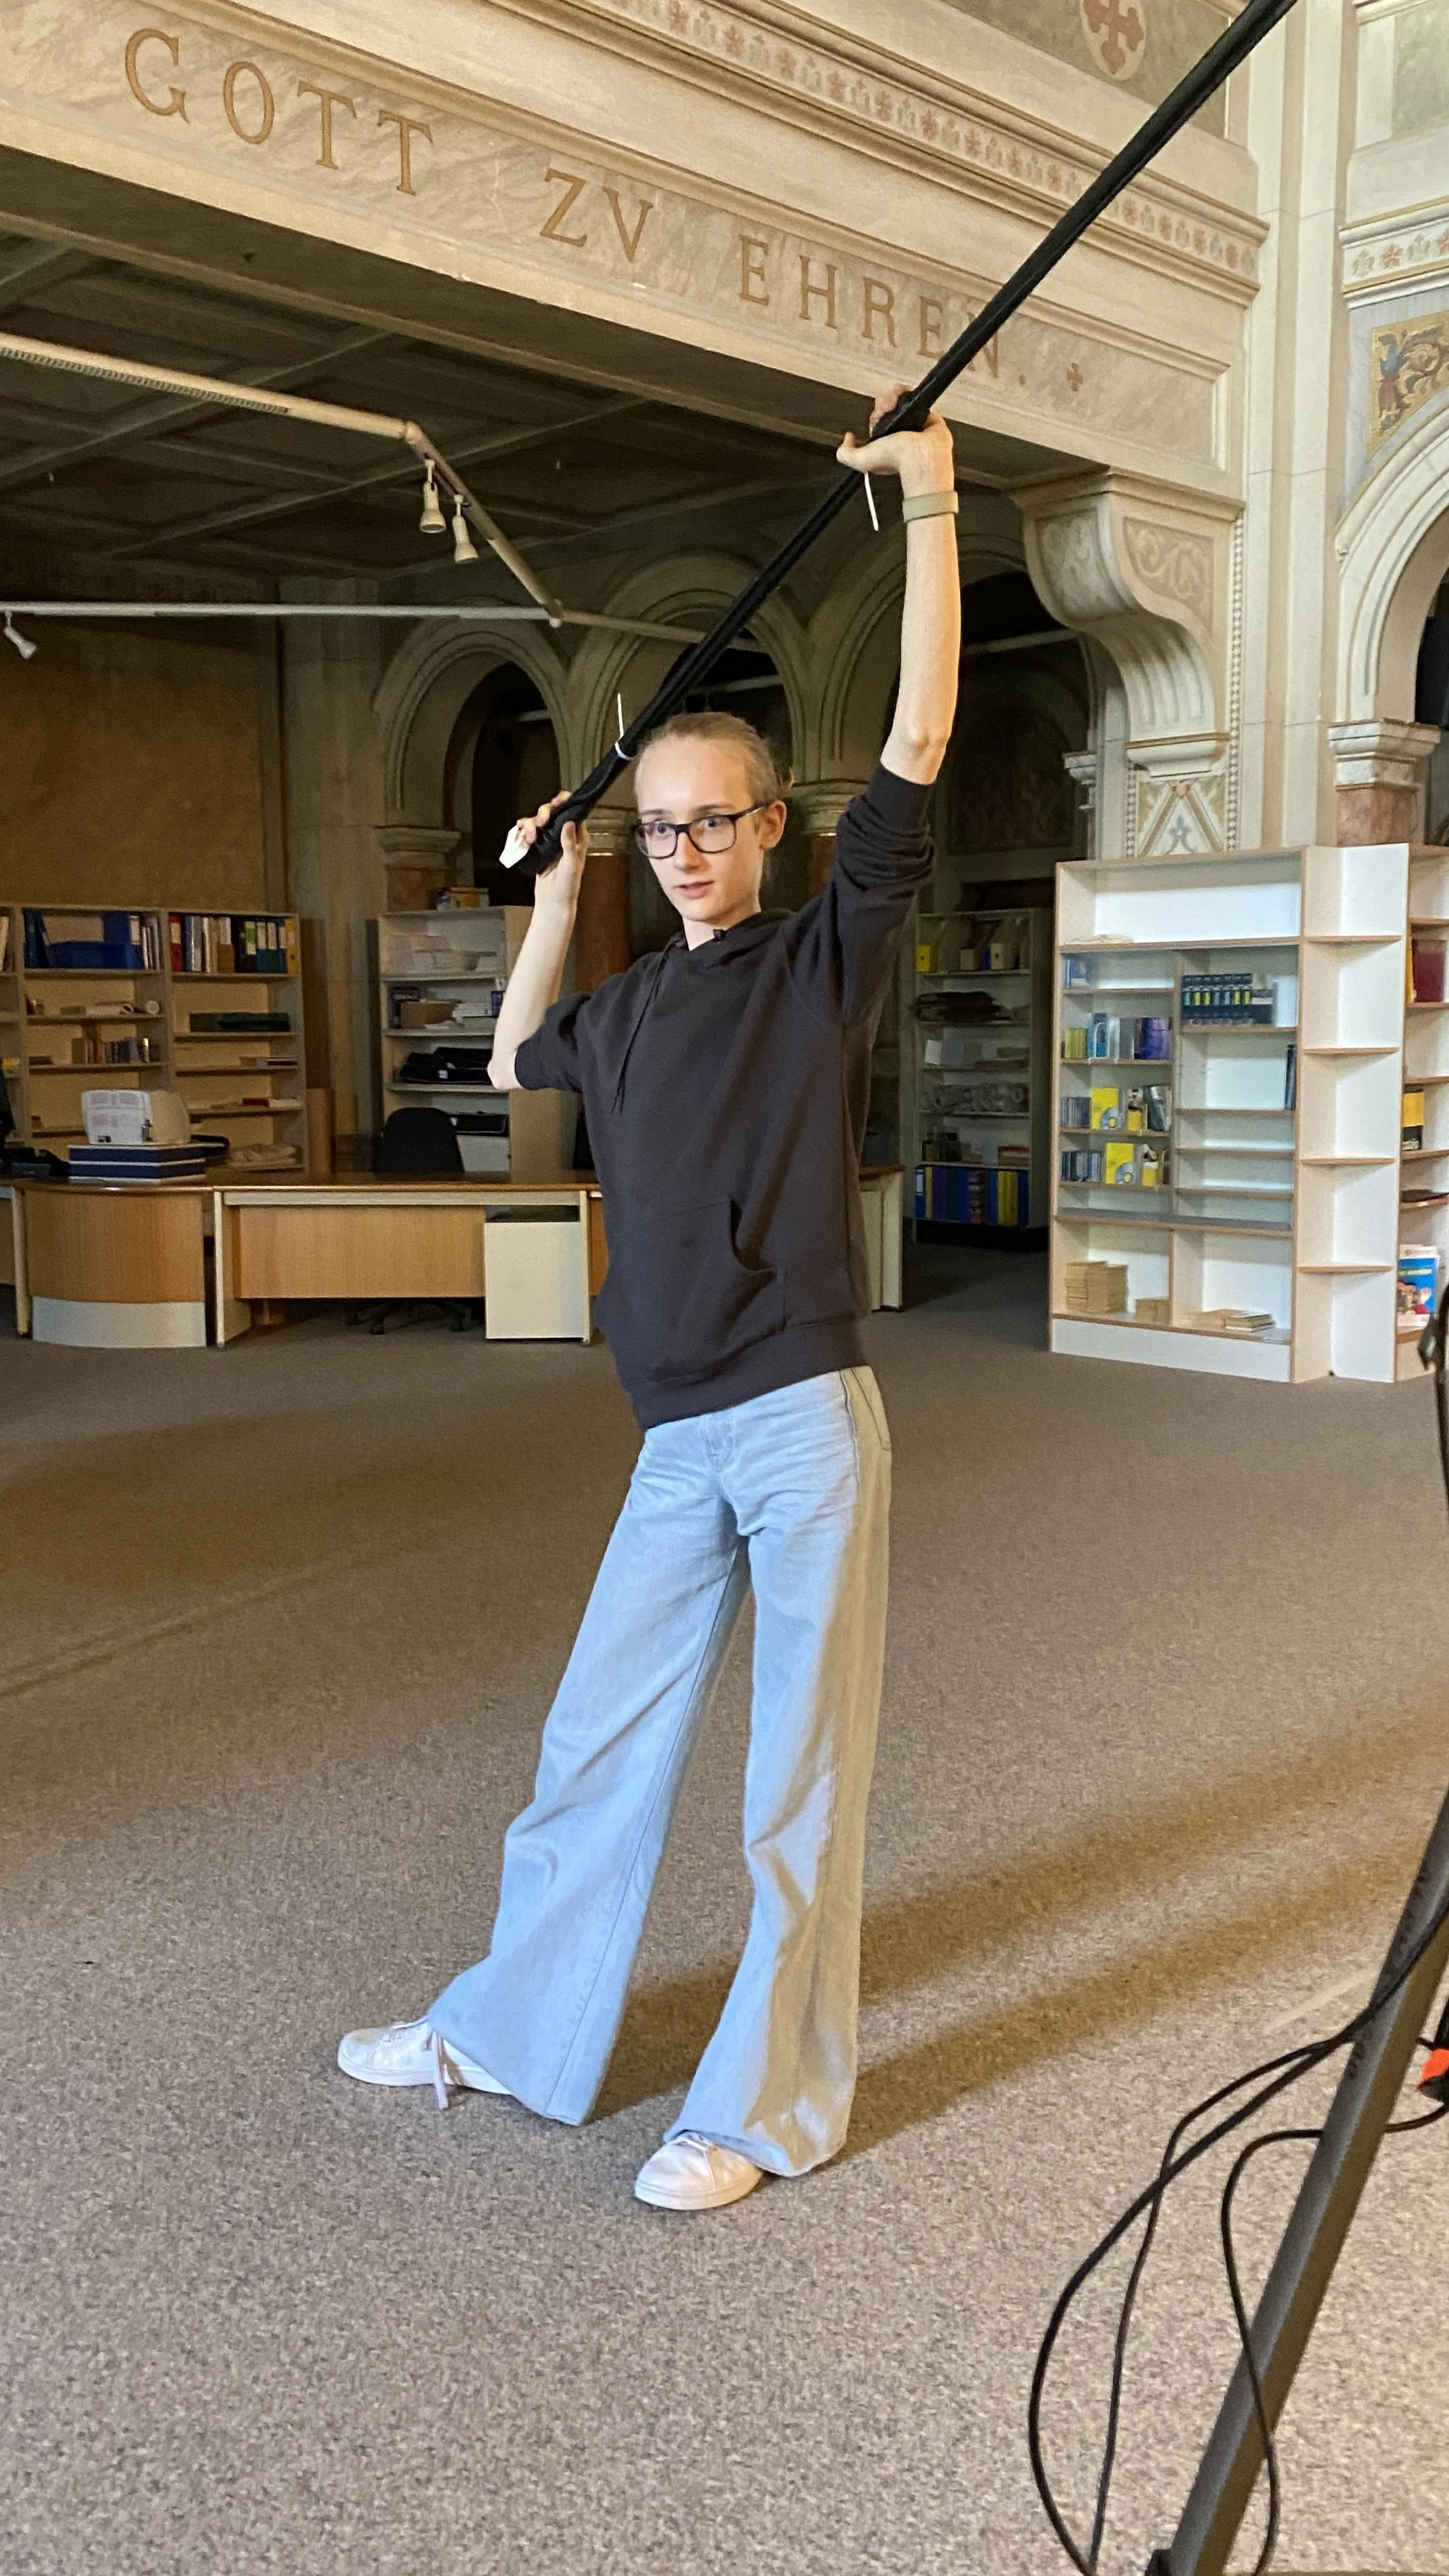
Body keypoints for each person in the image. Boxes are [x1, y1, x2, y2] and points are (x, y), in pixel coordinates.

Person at [339, 386, 962, 2211]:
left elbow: (920, 725)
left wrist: (924, 501)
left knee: (794, 1786)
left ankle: (757, 2113)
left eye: (713, 821)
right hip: (674, 1432)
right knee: (590, 1749)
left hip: (800, 1424)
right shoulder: (625, 1008)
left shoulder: (815, 959)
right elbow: (525, 1052)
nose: (688, 848)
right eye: (664, 828)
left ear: (772, 829)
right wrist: (562, 872)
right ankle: (508, 2031)